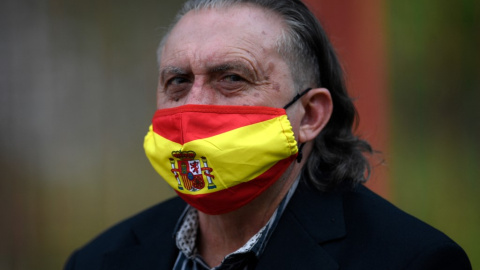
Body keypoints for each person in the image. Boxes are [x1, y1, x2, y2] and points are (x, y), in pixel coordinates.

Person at [64, 0, 472, 269]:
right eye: (178, 81)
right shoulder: (99, 260)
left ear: (310, 115)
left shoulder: (411, 261)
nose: (195, 105)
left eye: (232, 77)